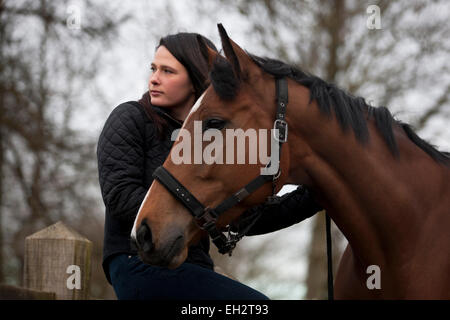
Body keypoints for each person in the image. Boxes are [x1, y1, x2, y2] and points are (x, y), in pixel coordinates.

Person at [97, 32, 321, 300]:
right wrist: (198, 211)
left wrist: (320, 192)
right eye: (154, 68)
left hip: (194, 270)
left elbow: (249, 217)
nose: (154, 78)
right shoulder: (130, 117)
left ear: (195, 78)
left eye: (168, 71)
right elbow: (119, 195)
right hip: (138, 261)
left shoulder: (212, 138)